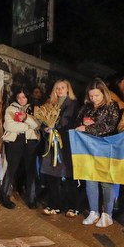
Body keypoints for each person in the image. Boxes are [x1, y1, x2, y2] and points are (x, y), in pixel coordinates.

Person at [74, 79, 122, 228]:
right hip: (88, 148)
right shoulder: (87, 106)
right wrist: (82, 125)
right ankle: (93, 211)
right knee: (90, 179)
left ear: (104, 93)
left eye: (97, 95)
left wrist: (89, 128)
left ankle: (107, 214)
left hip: (105, 147)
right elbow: (77, 122)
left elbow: (110, 126)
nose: (94, 98)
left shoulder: (111, 106)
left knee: (105, 181)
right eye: (91, 96)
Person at [38, 79, 81, 216]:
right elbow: (42, 121)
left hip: (66, 144)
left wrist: (58, 129)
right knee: (52, 175)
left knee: (69, 175)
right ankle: (54, 204)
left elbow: (73, 123)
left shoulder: (74, 104)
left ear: (68, 89)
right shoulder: (50, 104)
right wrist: (46, 129)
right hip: (51, 144)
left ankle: (73, 206)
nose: (60, 90)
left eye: (63, 87)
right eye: (57, 88)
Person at [0, 87, 40, 209]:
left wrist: (26, 118)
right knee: (11, 169)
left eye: (23, 97)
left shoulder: (35, 109)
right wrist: (27, 126)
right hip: (15, 141)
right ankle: (4, 196)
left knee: (30, 170)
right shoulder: (10, 109)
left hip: (31, 141)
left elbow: (37, 125)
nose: (21, 99)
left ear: (28, 97)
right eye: (18, 97)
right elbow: (9, 126)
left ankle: (31, 198)